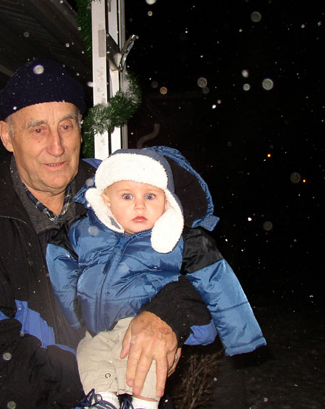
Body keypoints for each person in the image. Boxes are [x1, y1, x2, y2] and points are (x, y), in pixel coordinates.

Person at [0, 59, 214, 409]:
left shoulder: (120, 189)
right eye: (38, 129)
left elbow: (205, 267)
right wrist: (103, 383)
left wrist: (168, 312)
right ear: (7, 136)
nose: (57, 146)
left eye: (66, 126)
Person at [47, 147, 267, 409]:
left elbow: (217, 278)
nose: (139, 205)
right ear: (106, 200)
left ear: (167, 202)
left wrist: (242, 335)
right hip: (97, 330)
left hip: (143, 325)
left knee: (148, 362)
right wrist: (74, 314)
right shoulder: (85, 231)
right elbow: (59, 258)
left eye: (150, 196)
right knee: (89, 354)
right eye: (127, 196)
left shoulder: (176, 240)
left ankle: (145, 403)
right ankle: (103, 400)